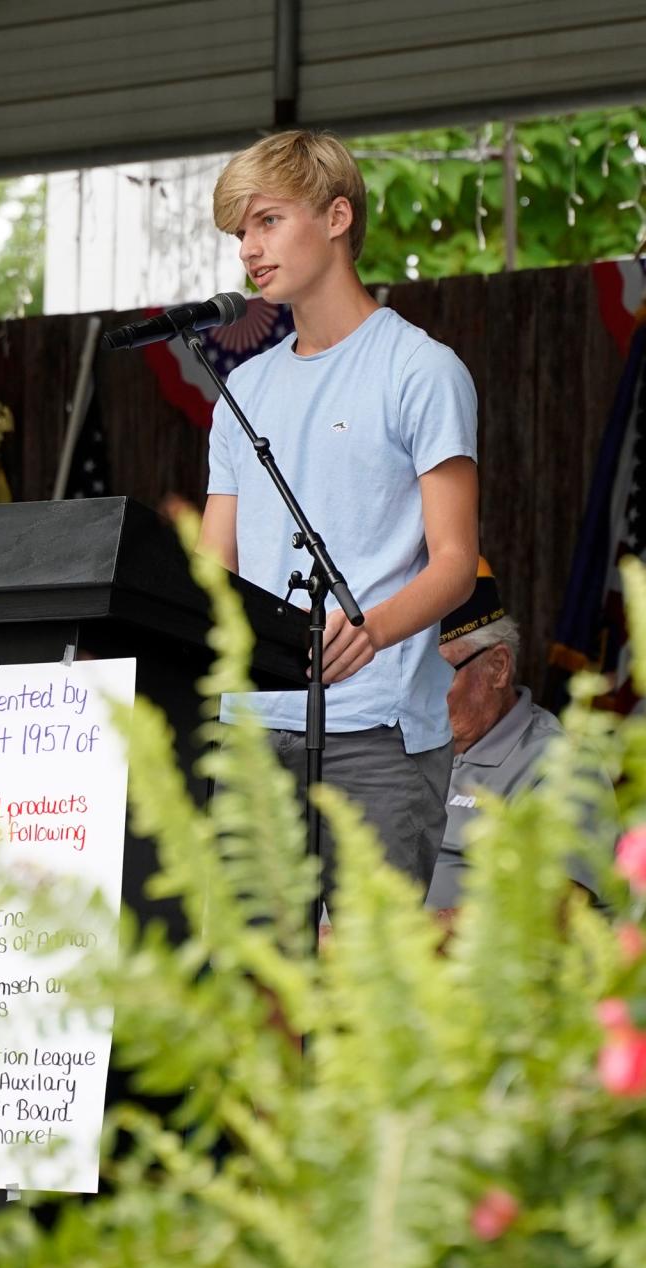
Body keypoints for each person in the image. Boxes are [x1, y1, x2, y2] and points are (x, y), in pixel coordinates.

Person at [199, 129, 479, 902]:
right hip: (251, 731)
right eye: (239, 233)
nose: (249, 250)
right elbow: (212, 570)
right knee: (255, 1001)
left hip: (379, 736)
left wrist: (372, 631)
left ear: (336, 217)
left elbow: (455, 562)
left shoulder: (422, 369)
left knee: (368, 999)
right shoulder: (240, 391)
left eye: (266, 221)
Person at [427, 558, 608, 914]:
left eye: (436, 673)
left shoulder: (562, 763)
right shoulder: (397, 743)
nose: (416, 693)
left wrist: (399, 939)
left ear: (498, 667)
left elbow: (550, 911)